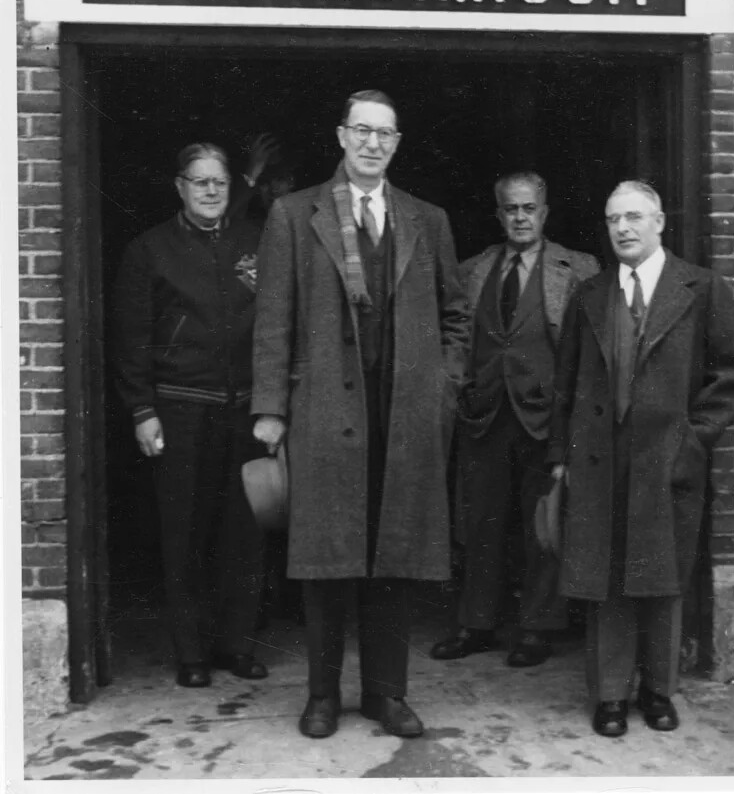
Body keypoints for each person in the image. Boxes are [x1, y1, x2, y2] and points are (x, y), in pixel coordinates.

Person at [250, 90, 470, 739]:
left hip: (403, 415)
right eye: (362, 131)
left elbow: (456, 316)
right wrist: (270, 409)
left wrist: (443, 388)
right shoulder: (295, 214)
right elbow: (272, 319)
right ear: (341, 136)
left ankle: (385, 694)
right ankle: (322, 696)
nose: (373, 143)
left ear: (396, 143)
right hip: (323, 409)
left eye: (385, 134)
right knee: (326, 561)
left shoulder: (426, 219)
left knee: (394, 555)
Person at [548, 180, 734, 737]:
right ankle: (610, 695)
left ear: (659, 222)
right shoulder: (589, 295)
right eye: (614, 219)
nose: (623, 228)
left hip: (667, 460)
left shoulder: (701, 288)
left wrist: (692, 439)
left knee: (662, 575)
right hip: (600, 461)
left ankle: (659, 691)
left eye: (634, 217)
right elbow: (566, 383)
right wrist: (561, 456)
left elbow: (731, 376)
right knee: (606, 577)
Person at [113, 143, 267, 688]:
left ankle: (237, 645)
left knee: (244, 532)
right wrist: (142, 410)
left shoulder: (256, 243)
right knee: (185, 533)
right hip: (180, 409)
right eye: (199, 182)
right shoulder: (149, 250)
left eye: (219, 182)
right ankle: (192, 653)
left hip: (246, 410)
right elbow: (131, 338)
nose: (210, 191)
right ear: (180, 187)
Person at [431, 172, 599, 668]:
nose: (520, 217)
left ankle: (537, 627)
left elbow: (589, 352)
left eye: (529, 208)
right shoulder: (473, 270)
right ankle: (476, 623)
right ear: (498, 214)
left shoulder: (578, 269)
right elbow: (454, 336)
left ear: (544, 213)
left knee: (542, 523)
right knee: (479, 522)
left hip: (546, 418)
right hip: (484, 415)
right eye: (511, 209)